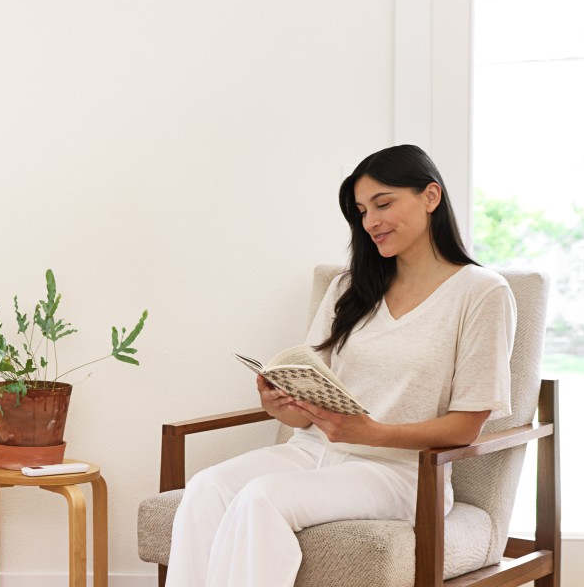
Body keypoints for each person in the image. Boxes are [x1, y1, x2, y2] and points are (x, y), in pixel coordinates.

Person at [164, 144, 516, 587]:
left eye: (383, 204)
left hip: (400, 472)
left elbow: (466, 426)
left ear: (430, 196)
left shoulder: (481, 293)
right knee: (205, 488)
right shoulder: (349, 288)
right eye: (362, 211)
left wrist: (372, 433)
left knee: (261, 497)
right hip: (312, 452)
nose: (371, 222)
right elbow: (306, 410)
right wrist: (280, 405)